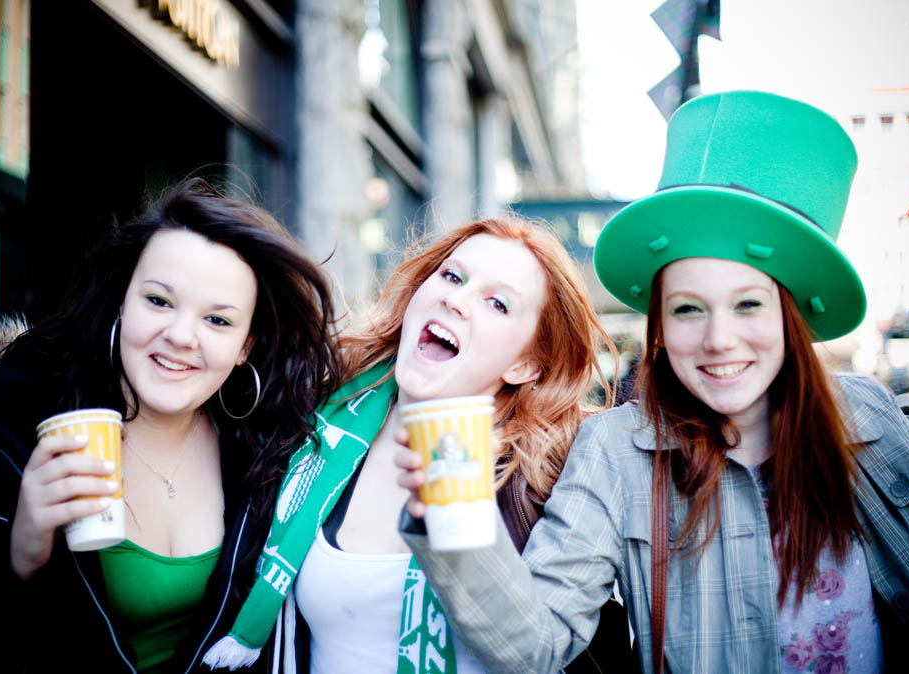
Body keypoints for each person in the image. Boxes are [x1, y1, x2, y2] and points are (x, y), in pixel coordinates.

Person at [395, 90, 909, 674]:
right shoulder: (613, 453)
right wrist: (454, 512)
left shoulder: (874, 419)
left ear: (791, 316)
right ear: (657, 325)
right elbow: (535, 646)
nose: (719, 339)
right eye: (687, 309)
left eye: (748, 305)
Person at [0, 178, 343, 672]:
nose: (181, 336)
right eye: (159, 301)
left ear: (245, 348)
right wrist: (21, 556)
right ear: (123, 301)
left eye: (218, 321)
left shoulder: (276, 454)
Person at [201, 216, 631, 673]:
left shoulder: (553, 481)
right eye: (452, 276)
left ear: (525, 365)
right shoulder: (315, 427)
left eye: (498, 304)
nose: (457, 300)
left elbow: (541, 651)